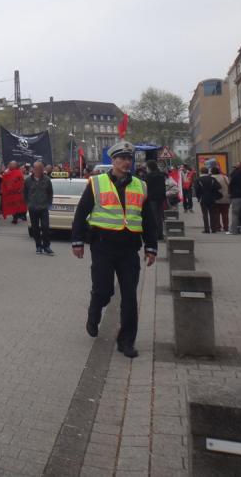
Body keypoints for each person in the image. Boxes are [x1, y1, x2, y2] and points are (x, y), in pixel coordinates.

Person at [71, 140, 157, 359]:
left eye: (129, 158)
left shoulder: (141, 185)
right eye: (121, 158)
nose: (126, 162)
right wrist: (77, 241)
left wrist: (152, 246)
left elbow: (148, 219)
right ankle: (94, 312)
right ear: (113, 160)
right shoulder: (96, 182)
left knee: (129, 296)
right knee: (103, 290)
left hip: (129, 248)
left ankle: (126, 341)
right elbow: (82, 212)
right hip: (103, 246)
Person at [23, 161, 54, 255]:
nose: (38, 170)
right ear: (33, 169)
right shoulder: (28, 180)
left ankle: (47, 246)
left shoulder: (47, 179)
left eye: (40, 168)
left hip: (44, 207)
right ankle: (38, 246)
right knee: (35, 228)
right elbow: (24, 193)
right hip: (33, 208)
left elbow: (50, 192)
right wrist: (28, 203)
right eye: (36, 168)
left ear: (42, 169)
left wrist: (49, 203)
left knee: (45, 227)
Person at [193, 167, 221, 234]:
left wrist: (198, 197)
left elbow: (196, 189)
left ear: (201, 172)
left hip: (203, 198)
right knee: (212, 214)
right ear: (207, 172)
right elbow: (219, 187)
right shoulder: (212, 179)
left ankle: (207, 229)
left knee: (205, 214)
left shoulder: (198, 179)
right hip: (212, 198)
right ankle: (213, 229)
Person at [145, 160, 166, 240]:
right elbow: (163, 186)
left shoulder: (149, 176)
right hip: (160, 198)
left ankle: (155, 234)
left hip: (152, 199)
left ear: (149, 167)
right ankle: (160, 234)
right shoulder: (161, 175)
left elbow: (146, 188)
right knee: (159, 217)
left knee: (153, 217)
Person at [209, 166, 230, 232]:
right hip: (225, 198)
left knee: (216, 214)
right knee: (225, 214)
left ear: (212, 172)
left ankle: (218, 227)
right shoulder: (225, 177)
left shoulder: (211, 178)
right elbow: (229, 186)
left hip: (215, 199)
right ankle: (226, 227)